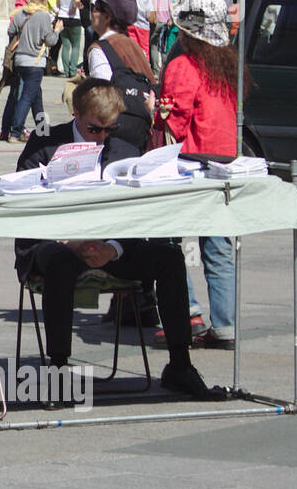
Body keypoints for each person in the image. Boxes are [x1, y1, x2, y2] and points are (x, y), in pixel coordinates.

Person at [13, 79, 226, 401]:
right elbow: (19, 204)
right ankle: (58, 367)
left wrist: (113, 249)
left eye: (109, 129)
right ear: (76, 114)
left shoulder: (124, 150)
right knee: (58, 263)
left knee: (169, 257)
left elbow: (139, 212)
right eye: (94, 129)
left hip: (109, 244)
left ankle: (180, 364)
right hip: (54, 242)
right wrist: (69, 243)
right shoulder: (45, 144)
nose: (101, 137)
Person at [154, 0, 241, 350]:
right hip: (226, 162)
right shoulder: (226, 65)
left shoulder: (182, 65)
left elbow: (173, 119)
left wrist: (152, 112)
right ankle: (225, 327)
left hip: (190, 164)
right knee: (219, 247)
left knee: (169, 242)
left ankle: (187, 312)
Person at [85, 0, 155, 153]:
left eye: (95, 8)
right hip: (140, 132)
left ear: (107, 17)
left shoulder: (100, 48)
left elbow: (100, 99)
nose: (91, 12)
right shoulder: (133, 45)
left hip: (113, 136)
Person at [1, 0, 59, 142]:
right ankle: (15, 132)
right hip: (35, 62)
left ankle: (43, 130)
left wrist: (24, 36)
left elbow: (11, 31)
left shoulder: (21, 12)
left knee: (36, 96)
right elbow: (50, 40)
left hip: (20, 60)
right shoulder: (43, 16)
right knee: (27, 97)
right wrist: (58, 30)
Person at [55, 0, 84, 77]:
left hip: (62, 17)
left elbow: (57, 3)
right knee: (75, 45)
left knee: (65, 45)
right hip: (73, 18)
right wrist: (75, 7)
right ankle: (73, 70)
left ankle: (66, 70)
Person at [44, 0, 64, 76]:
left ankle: (53, 67)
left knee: (55, 47)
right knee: (55, 47)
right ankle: (52, 67)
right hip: (52, 23)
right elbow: (56, 10)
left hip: (52, 22)